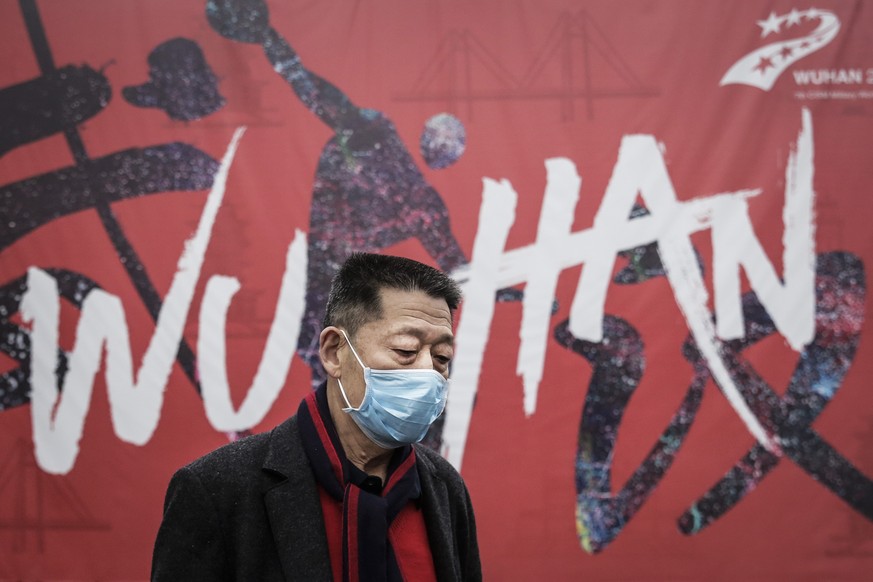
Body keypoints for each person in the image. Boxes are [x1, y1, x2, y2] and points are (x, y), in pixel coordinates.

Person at [151, 252, 482, 581]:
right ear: (333, 351)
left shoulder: (443, 489)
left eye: (441, 357)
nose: (428, 371)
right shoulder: (218, 489)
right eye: (406, 351)